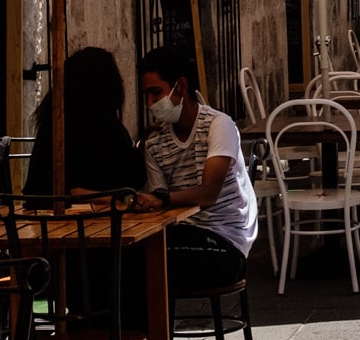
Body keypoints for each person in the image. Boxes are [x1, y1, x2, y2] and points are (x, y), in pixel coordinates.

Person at [135, 46, 258, 294]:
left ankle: (153, 332)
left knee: (141, 263)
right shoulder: (155, 143)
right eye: (145, 95)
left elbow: (208, 193)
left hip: (226, 243)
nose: (150, 103)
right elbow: (159, 203)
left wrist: (160, 200)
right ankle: (151, 332)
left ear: (180, 87)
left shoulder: (218, 125)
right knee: (134, 258)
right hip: (182, 234)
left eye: (155, 92)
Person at [24, 47, 145, 200]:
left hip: (47, 215)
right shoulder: (72, 128)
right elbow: (71, 191)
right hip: (83, 217)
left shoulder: (57, 122)